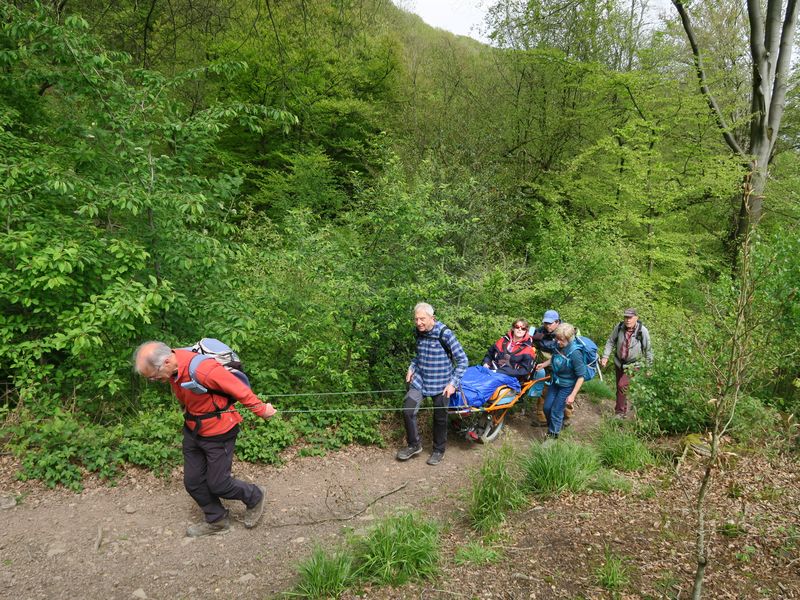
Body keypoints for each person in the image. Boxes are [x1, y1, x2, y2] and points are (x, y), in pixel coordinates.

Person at [134, 341, 277, 537]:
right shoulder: (173, 368)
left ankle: (255, 496)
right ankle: (217, 520)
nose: (155, 380)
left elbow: (238, 389)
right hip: (193, 429)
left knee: (219, 484)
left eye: (153, 377)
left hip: (219, 431)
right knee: (193, 482)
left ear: (166, 362)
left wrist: (262, 410)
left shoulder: (203, 369)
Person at [397, 302, 468, 466]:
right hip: (421, 381)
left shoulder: (445, 334)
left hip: (442, 383)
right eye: (416, 319)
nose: (418, 323)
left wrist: (453, 384)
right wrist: (411, 367)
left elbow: (463, 360)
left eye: (422, 319)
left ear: (432, 318)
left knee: (440, 418)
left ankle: (438, 450)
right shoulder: (418, 332)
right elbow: (418, 355)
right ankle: (414, 445)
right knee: (408, 410)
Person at [535, 323, 586, 439]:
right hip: (555, 382)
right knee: (547, 408)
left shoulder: (575, 354)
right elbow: (555, 357)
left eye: (561, 340)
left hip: (567, 386)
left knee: (556, 410)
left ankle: (553, 436)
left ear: (569, 339)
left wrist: (573, 395)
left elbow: (581, 376)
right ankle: (556, 425)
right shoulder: (559, 346)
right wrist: (544, 364)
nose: (558, 342)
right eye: (556, 339)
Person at [600, 308, 653, 418]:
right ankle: (622, 411)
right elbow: (610, 341)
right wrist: (605, 356)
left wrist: (649, 367)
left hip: (634, 364)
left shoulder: (642, 331)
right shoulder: (619, 327)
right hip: (619, 362)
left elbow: (648, 350)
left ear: (636, 318)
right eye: (626, 317)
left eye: (630, 317)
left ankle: (619, 413)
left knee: (621, 385)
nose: (627, 320)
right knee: (619, 387)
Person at [528, 310, 561, 426]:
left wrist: (542, 339)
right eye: (545, 323)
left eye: (550, 323)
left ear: (557, 322)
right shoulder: (540, 331)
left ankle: (565, 417)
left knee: (562, 393)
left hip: (561, 369)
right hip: (545, 367)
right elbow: (530, 342)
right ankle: (542, 418)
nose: (547, 325)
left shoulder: (564, 332)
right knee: (543, 391)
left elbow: (559, 349)